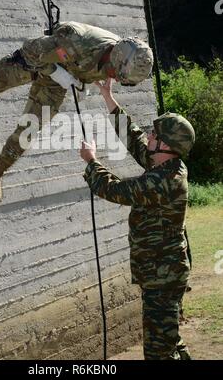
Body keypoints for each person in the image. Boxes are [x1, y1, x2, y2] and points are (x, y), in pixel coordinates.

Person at [0, 21, 153, 204]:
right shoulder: (77, 41)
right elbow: (31, 50)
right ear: (115, 57)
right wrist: (59, 74)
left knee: (29, 130)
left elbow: (90, 71)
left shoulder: (118, 60)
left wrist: (80, 84)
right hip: (34, 64)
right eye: (115, 73)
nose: (113, 77)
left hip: (57, 83)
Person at [80, 78, 195, 360]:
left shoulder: (166, 180)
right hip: (161, 272)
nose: (149, 136)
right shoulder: (165, 162)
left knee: (158, 352)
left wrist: (91, 162)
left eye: (155, 135)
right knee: (169, 342)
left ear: (166, 145)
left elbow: (117, 190)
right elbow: (134, 139)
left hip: (163, 276)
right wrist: (109, 97)